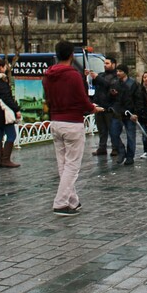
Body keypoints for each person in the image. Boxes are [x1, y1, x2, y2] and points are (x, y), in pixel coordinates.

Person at [43, 40, 104, 215]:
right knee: (72, 166)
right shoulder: (73, 75)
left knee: (63, 163)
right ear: (71, 55)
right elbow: (82, 99)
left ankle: (72, 200)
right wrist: (92, 108)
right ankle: (60, 202)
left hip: (56, 121)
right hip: (72, 122)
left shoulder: (47, 76)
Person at [110, 64, 143, 165]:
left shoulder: (133, 84)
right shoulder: (115, 83)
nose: (118, 73)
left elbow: (138, 99)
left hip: (130, 113)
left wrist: (136, 113)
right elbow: (111, 98)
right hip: (118, 112)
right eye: (117, 71)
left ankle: (130, 156)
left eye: (120, 71)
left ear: (125, 72)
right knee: (113, 133)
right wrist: (112, 94)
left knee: (131, 136)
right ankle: (121, 151)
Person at [87, 55, 118, 156]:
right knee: (101, 129)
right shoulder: (102, 75)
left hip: (110, 107)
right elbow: (95, 84)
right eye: (104, 63)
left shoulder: (116, 76)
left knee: (112, 129)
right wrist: (89, 77)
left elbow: (109, 85)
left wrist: (97, 78)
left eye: (107, 63)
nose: (105, 65)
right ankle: (102, 147)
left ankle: (115, 148)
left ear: (113, 64)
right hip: (99, 105)